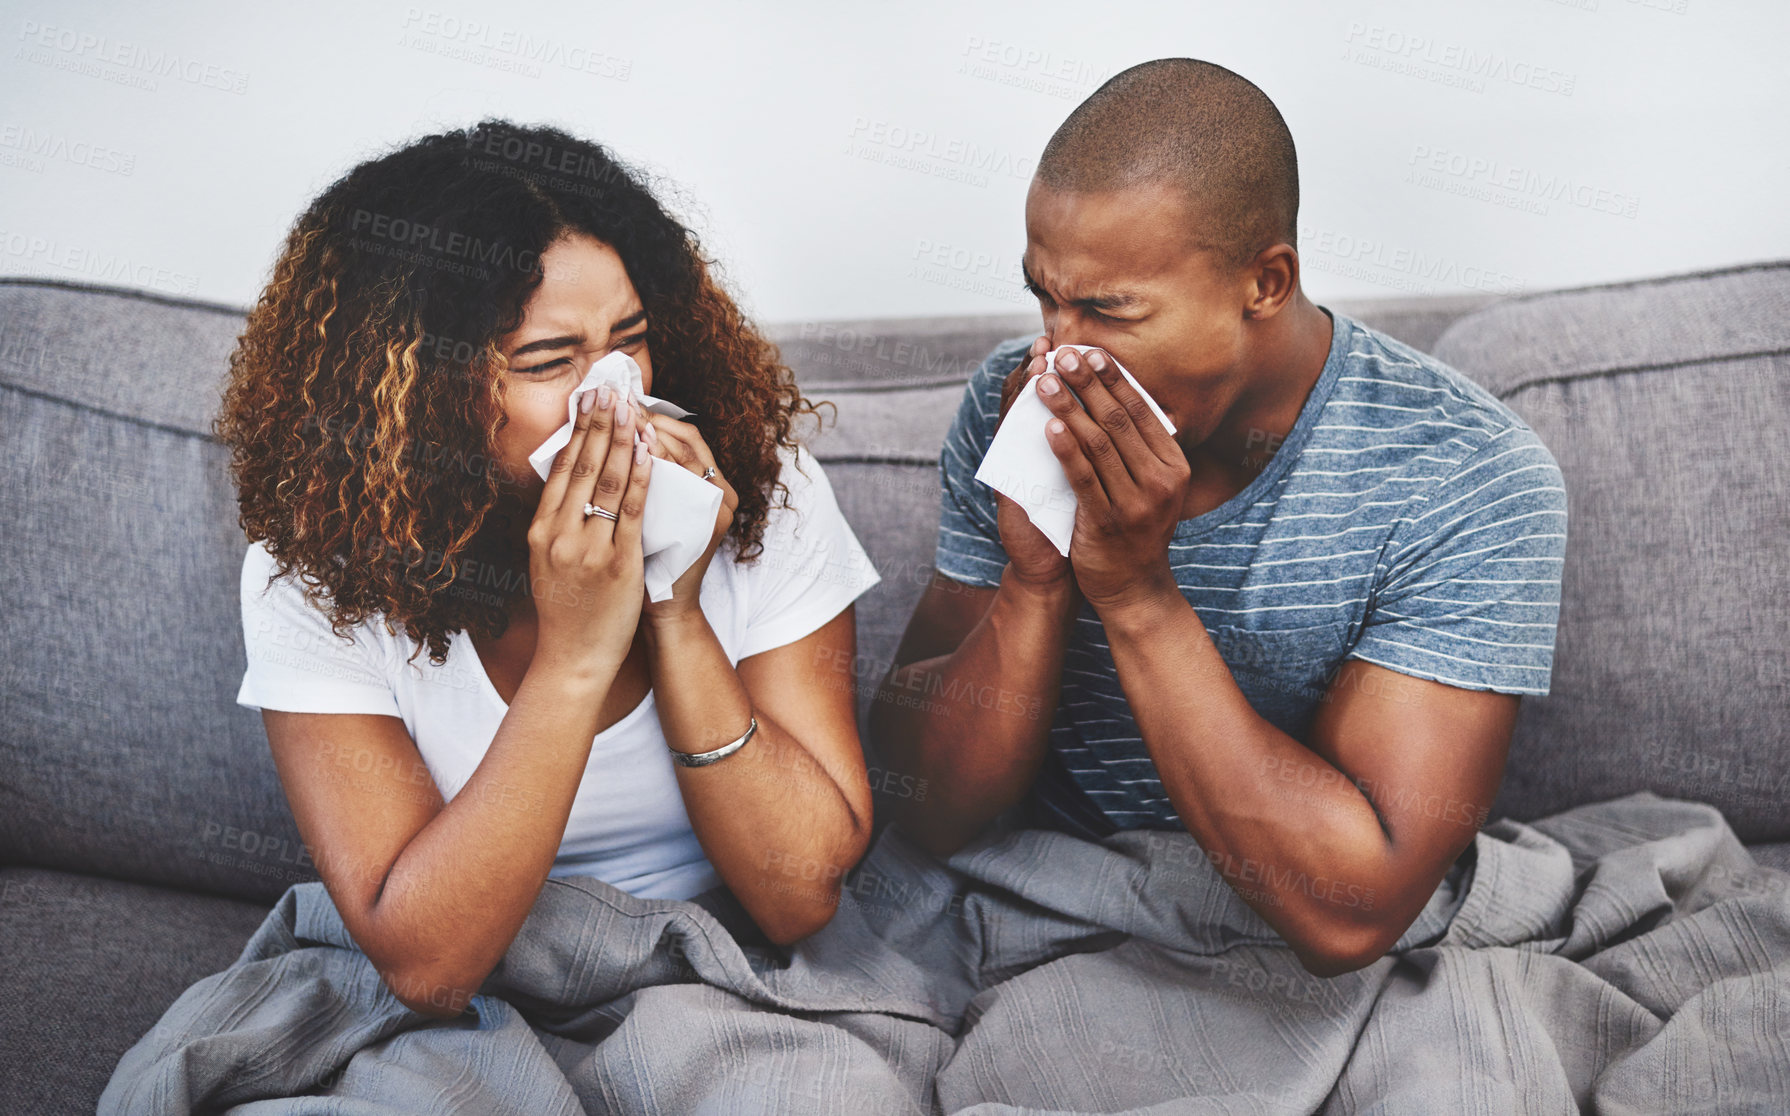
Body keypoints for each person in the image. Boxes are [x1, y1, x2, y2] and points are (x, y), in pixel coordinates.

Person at [871, 59, 1568, 978]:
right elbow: (919, 799)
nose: (1059, 357)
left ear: (1266, 283)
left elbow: (1349, 915)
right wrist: (1035, 584)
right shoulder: (1009, 406)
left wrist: (1136, 597)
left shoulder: (1466, 473)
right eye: (1046, 297)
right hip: (1042, 904)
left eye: (1109, 311)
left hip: (1285, 937)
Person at [218, 119, 881, 1018]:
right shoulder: (318, 573)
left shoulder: (767, 491)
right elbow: (430, 968)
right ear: (414, 400)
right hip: (486, 984)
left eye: (629, 339)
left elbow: (799, 896)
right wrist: (575, 657)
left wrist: (673, 611)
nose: (615, 393)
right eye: (547, 361)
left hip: (722, 967)